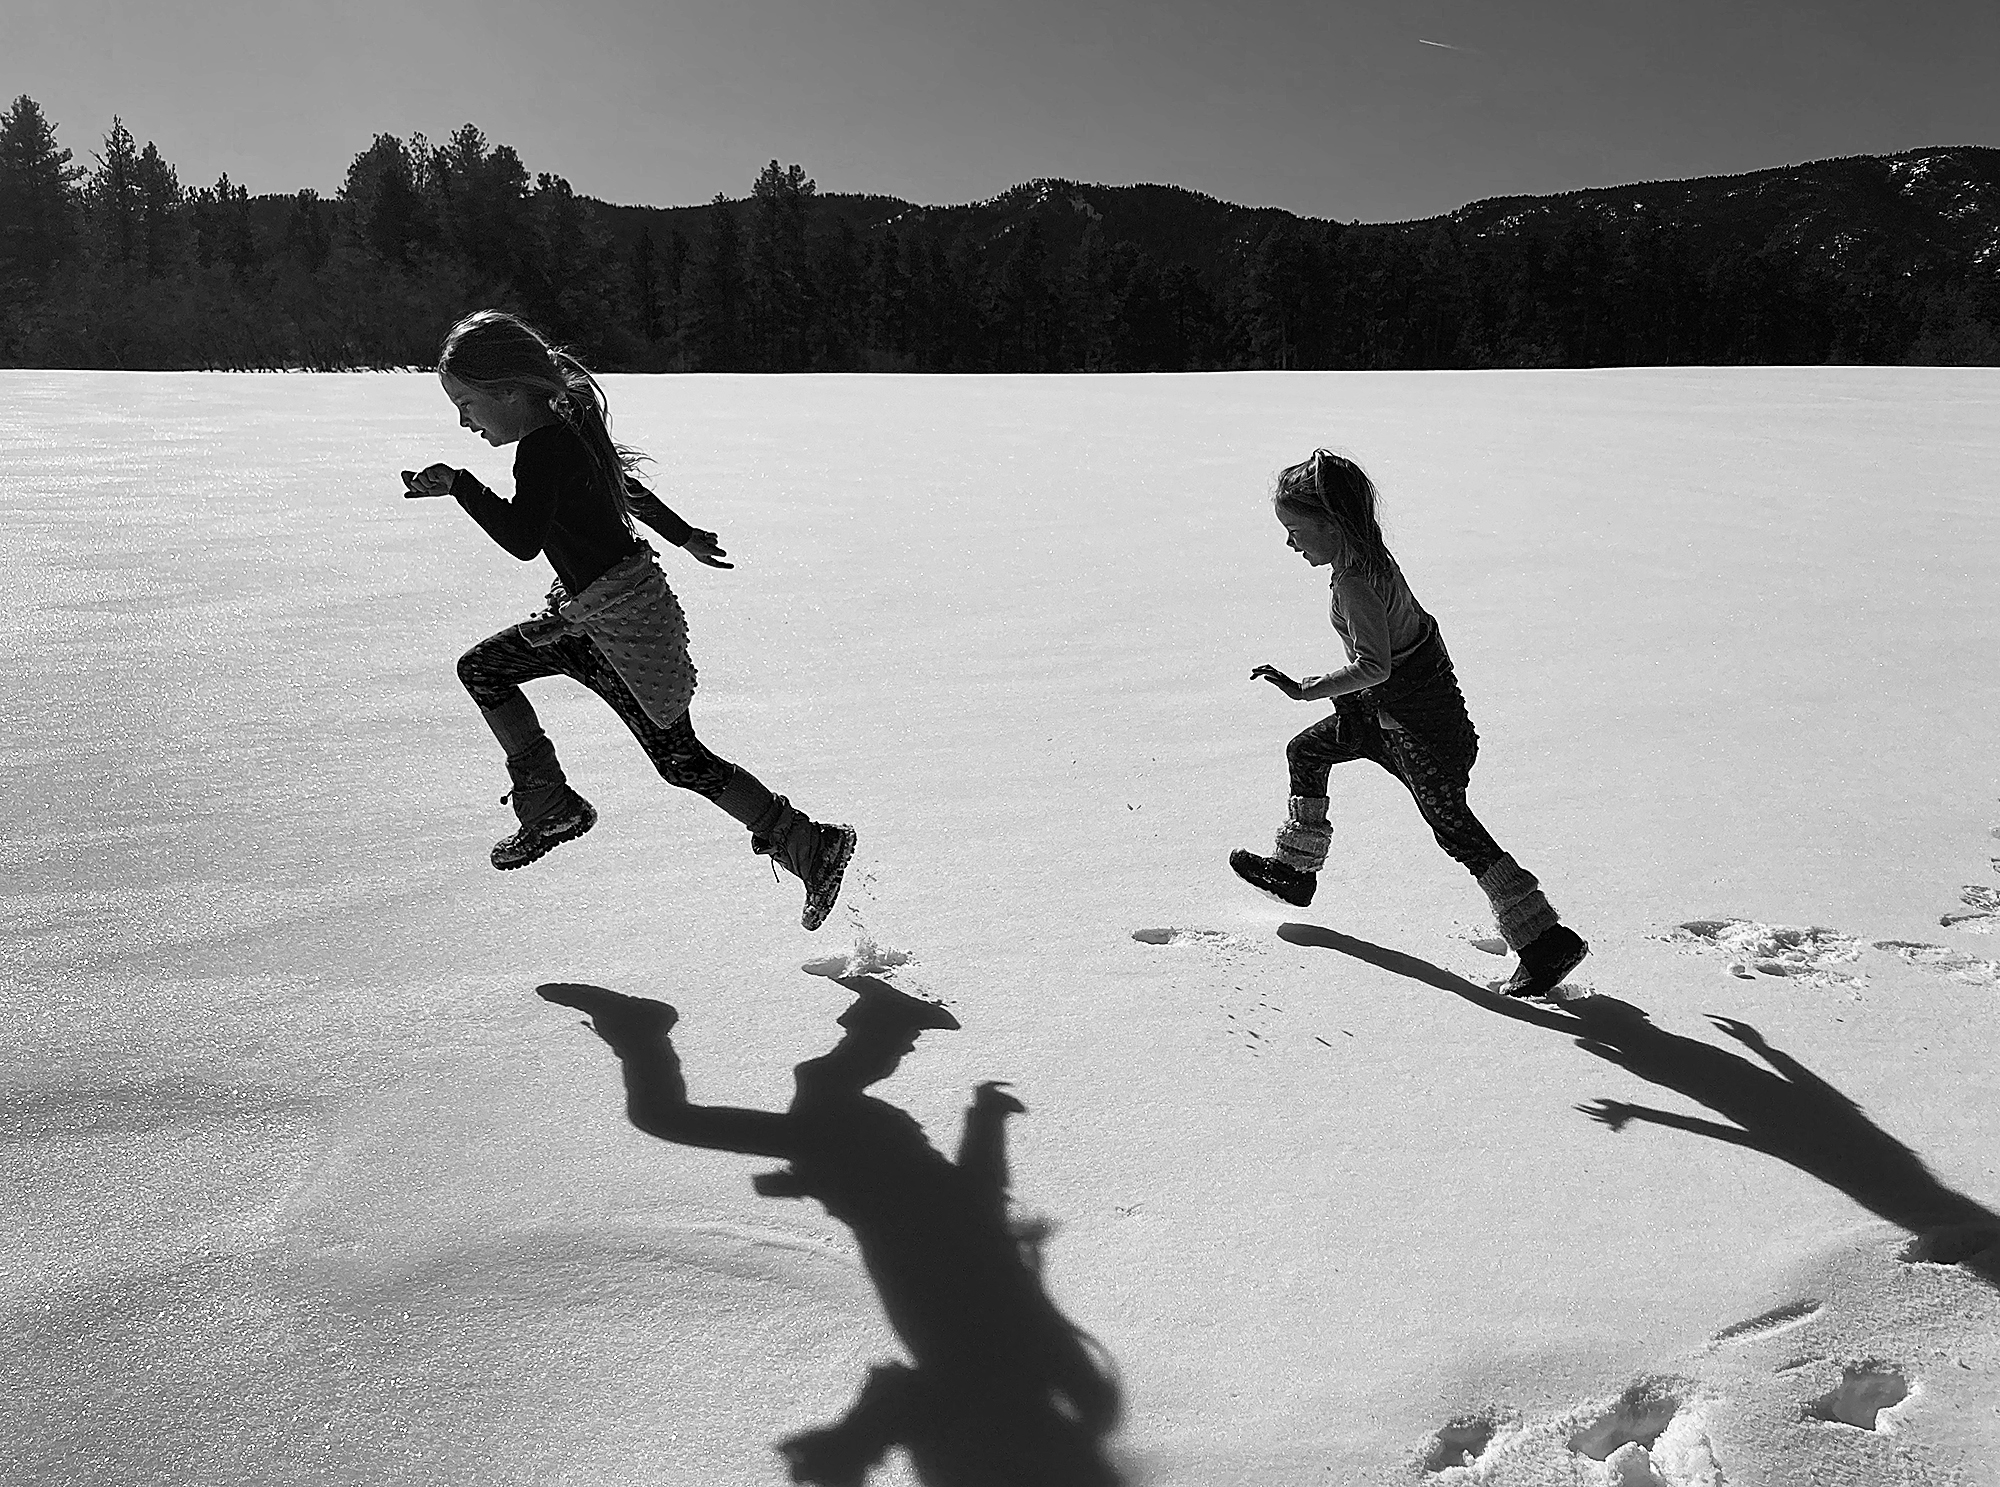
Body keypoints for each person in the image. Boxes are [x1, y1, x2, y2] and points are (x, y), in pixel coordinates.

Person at [403, 309, 854, 931]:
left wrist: (460, 485)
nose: (463, 421)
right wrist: (685, 535)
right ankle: (548, 803)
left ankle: (806, 841)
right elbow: (625, 489)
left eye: (466, 402)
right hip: (593, 617)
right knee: (484, 669)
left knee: (679, 758)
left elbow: (522, 539)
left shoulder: (544, 447)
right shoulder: (568, 429)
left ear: (510, 390)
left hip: (618, 627)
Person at [1230, 448, 1588, 998]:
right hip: (1388, 717)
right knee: (1307, 753)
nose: (1290, 543)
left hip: (1416, 728)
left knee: (1456, 831)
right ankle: (1296, 872)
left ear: (1333, 523)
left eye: (1296, 529)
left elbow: (1375, 665)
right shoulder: (1369, 557)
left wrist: (1306, 689)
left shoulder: (1355, 582)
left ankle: (1545, 942)